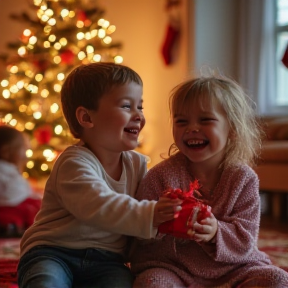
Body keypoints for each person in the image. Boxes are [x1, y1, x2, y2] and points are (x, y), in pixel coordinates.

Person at [17, 62, 182, 288]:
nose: (138, 116)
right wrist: (151, 213)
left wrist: (170, 216)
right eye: (126, 106)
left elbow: (141, 221)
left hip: (108, 261)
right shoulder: (73, 162)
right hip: (54, 252)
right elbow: (97, 204)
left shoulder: (137, 165)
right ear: (86, 118)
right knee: (46, 281)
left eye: (140, 107)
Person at [130, 74, 288, 287]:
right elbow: (138, 233)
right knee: (152, 282)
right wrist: (157, 218)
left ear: (232, 129)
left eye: (205, 120)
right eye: (181, 121)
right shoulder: (159, 176)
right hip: (174, 268)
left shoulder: (244, 178)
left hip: (233, 269)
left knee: (277, 279)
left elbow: (246, 238)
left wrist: (216, 232)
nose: (192, 128)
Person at [0, 125, 41, 236]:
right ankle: (14, 227)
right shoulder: (5, 169)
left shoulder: (9, 168)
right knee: (33, 206)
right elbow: (15, 195)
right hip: (7, 210)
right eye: (22, 149)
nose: (25, 155)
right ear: (5, 151)